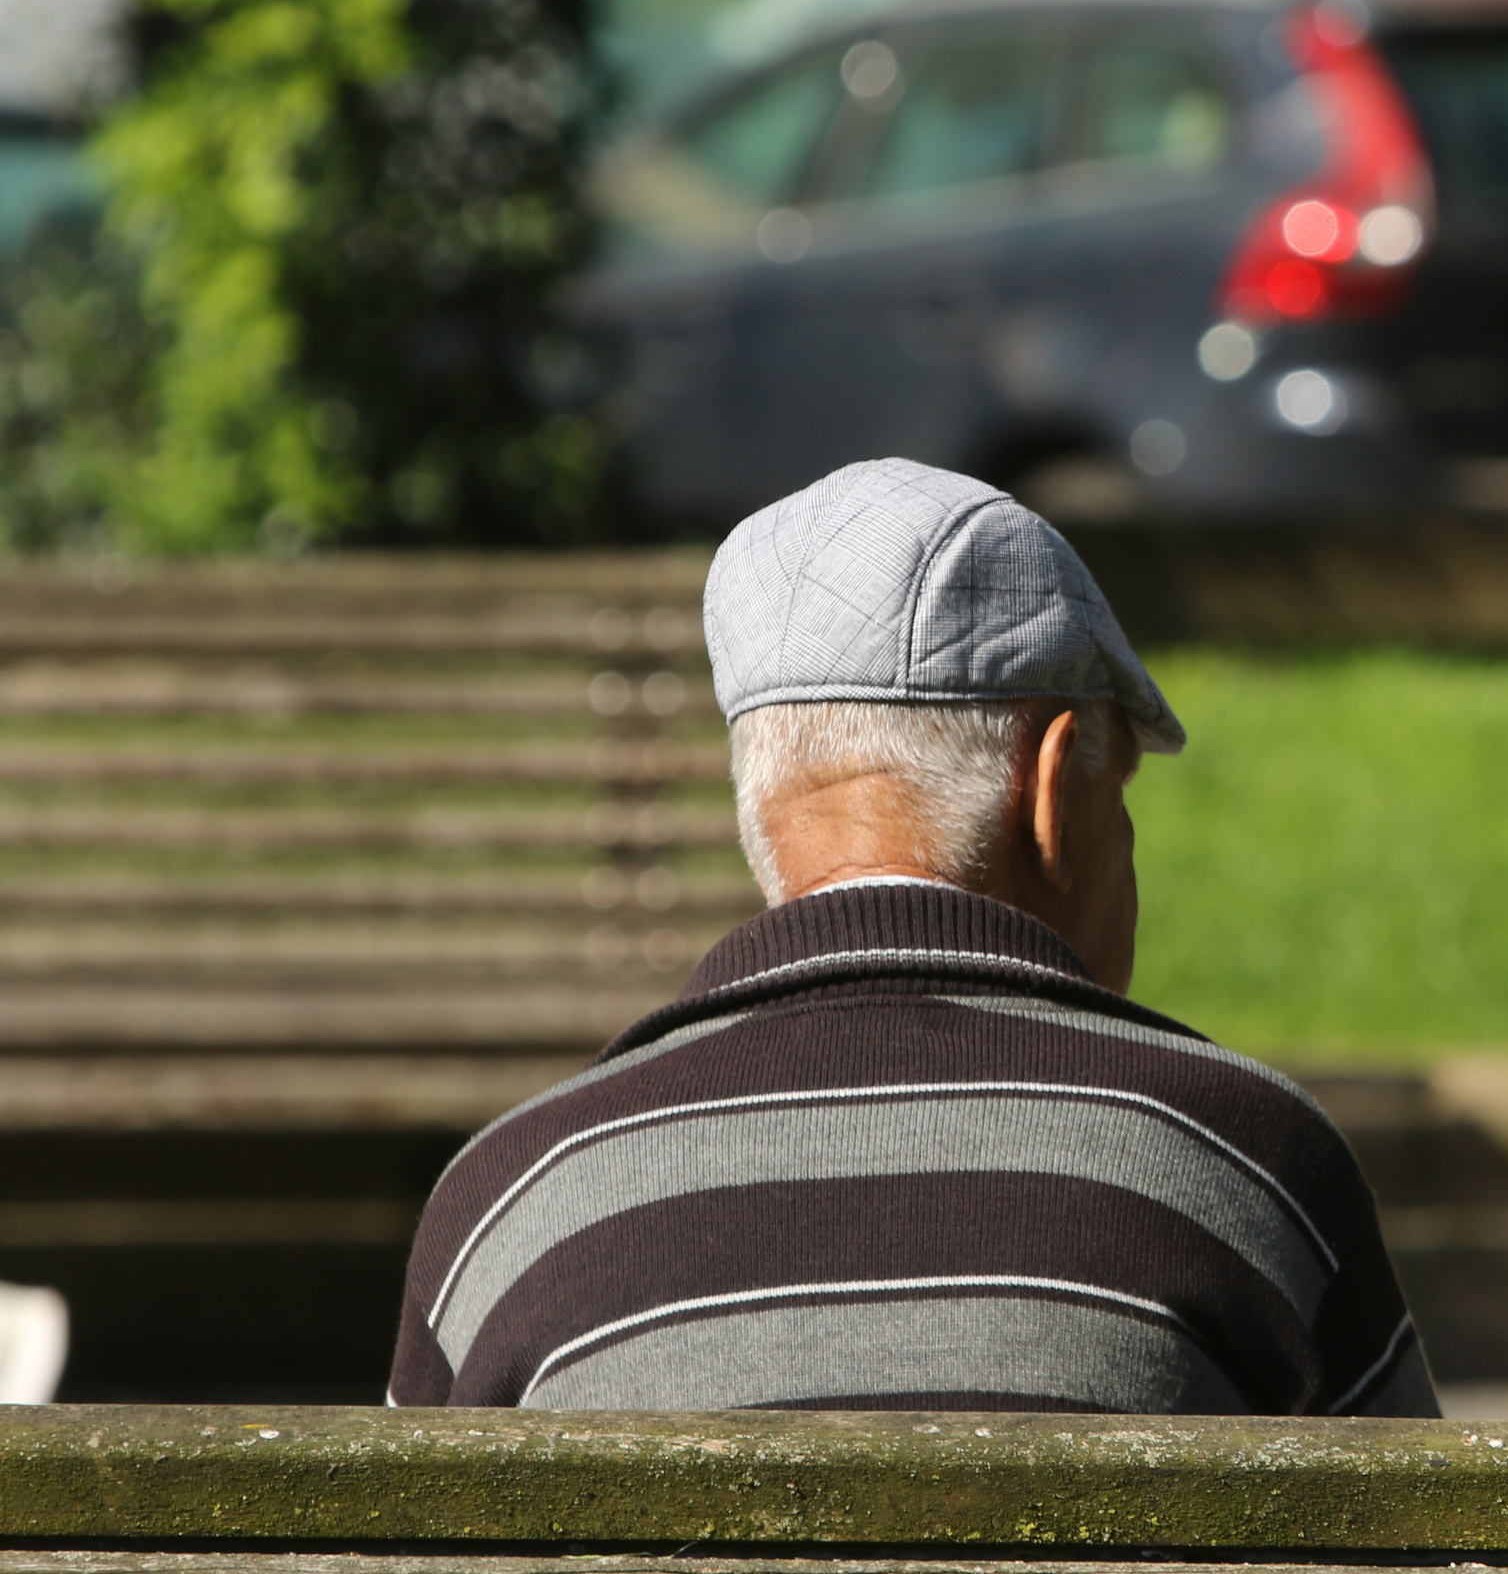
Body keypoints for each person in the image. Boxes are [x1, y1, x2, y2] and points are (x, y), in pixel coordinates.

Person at [389, 458, 1438, 1416]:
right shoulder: (1249, 1168)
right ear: (1051, 790)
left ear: (763, 793)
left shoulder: (506, 1205)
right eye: (1122, 789)